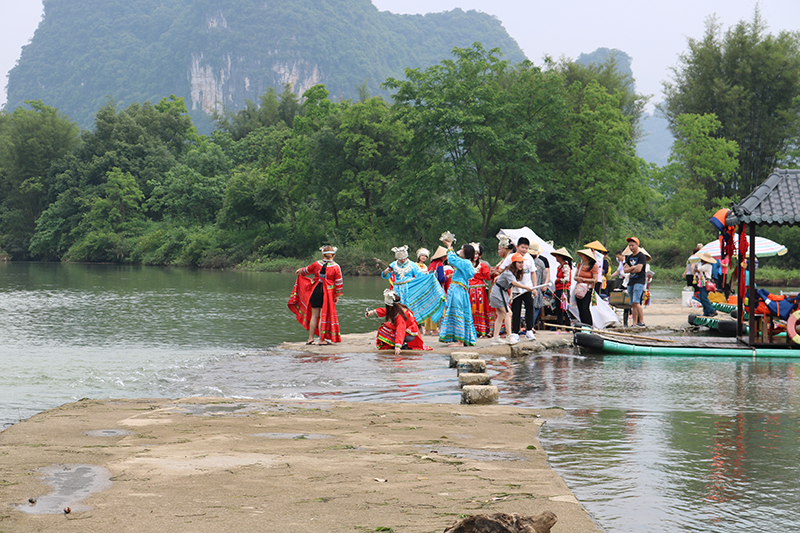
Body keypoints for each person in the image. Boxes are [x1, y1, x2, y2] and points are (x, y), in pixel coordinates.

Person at [288, 245, 343, 345]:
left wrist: (299, 271)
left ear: (322, 254)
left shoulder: (317, 264)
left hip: (316, 291)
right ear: (333, 255)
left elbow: (306, 271)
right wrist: (337, 295)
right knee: (323, 316)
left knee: (314, 316)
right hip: (327, 293)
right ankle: (321, 340)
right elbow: (339, 282)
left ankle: (310, 338)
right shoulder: (336, 267)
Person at [438, 235, 477, 347]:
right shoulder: (466, 263)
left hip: (457, 290)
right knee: (459, 312)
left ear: (466, 252)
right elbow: (454, 258)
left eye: (462, 249)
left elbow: (451, 259)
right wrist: (450, 247)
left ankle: (460, 341)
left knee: (457, 311)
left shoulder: (465, 263)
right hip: (460, 289)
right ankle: (460, 339)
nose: (460, 251)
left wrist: (449, 247)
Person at [366, 289, 431, 354]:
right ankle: (401, 344)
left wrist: (397, 346)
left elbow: (401, 330)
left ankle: (400, 345)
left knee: (384, 328)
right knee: (387, 326)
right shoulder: (399, 308)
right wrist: (371, 312)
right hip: (410, 332)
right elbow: (385, 311)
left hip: (409, 334)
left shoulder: (400, 316)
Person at [489, 253, 532, 344]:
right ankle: (509, 336)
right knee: (509, 313)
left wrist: (510, 296)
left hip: (502, 292)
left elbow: (511, 285)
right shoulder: (508, 272)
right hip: (498, 293)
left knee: (501, 315)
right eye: (519, 262)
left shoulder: (514, 272)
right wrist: (526, 287)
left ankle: (495, 337)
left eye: (522, 262)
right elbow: (514, 283)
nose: (521, 264)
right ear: (514, 263)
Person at [499, 237, 536, 343]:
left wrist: (534, 287)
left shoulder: (529, 258)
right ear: (517, 246)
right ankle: (515, 332)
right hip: (515, 289)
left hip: (527, 287)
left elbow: (533, 272)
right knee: (516, 310)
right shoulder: (511, 257)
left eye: (526, 248)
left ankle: (529, 330)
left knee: (530, 307)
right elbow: (501, 269)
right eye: (522, 247)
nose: (524, 250)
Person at [468, 243, 492, 338]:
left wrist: (493, 273)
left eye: (477, 254)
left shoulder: (483, 265)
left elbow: (488, 276)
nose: (475, 256)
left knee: (480, 309)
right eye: (473, 254)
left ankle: (481, 330)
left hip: (480, 291)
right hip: (468, 290)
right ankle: (470, 330)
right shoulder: (465, 264)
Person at [623, 237, 648, 327]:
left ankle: (641, 321)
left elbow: (639, 269)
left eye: (632, 245)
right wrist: (632, 268)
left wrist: (631, 269)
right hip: (631, 281)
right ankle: (634, 323)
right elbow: (625, 270)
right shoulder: (629, 257)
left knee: (637, 301)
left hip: (639, 280)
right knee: (632, 303)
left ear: (637, 245)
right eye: (629, 246)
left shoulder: (641, 256)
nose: (631, 247)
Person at [574, 249, 599, 326]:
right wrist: (579, 279)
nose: (581, 257)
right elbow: (575, 277)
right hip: (579, 289)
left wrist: (585, 280)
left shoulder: (593, 267)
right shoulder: (579, 265)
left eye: (583, 255)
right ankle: (583, 325)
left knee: (585, 308)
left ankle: (589, 325)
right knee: (580, 308)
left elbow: (595, 280)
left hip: (588, 289)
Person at [551, 247, 573, 332]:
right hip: (559, 289)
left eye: (557, 256)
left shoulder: (566, 267)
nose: (556, 257)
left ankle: (567, 327)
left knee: (565, 308)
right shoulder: (559, 267)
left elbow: (566, 279)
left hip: (564, 290)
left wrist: (558, 280)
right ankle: (559, 327)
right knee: (559, 309)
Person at [529, 242, 547, 335]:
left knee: (529, 308)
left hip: (526, 287)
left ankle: (528, 326)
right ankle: (531, 326)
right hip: (537, 288)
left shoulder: (525, 261)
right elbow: (544, 277)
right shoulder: (540, 263)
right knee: (535, 308)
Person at [694, 252, 718, 317]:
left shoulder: (708, 265)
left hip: (705, 283)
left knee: (704, 298)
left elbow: (699, 269)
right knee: (702, 298)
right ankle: (706, 312)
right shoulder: (705, 265)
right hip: (702, 283)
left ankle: (712, 310)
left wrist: (699, 263)